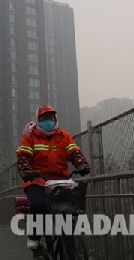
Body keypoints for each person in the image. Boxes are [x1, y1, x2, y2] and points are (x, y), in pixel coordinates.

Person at [16, 104, 91, 251]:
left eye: (50, 118)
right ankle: (34, 236)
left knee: (70, 208)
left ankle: (70, 248)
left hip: (60, 179)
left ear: (55, 119)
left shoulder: (64, 136)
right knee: (39, 205)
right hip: (37, 179)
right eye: (44, 118)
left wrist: (82, 164)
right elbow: (23, 155)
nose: (48, 121)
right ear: (38, 120)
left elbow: (74, 152)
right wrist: (25, 170)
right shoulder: (30, 137)